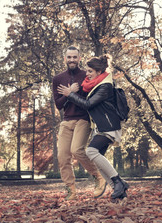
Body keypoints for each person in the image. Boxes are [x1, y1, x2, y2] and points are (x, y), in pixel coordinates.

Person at [58, 54, 129, 199]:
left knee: (91, 151)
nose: (87, 74)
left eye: (90, 71)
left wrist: (70, 94)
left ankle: (118, 181)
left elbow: (88, 104)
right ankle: (119, 191)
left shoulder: (105, 86)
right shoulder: (97, 85)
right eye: (87, 71)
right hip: (102, 127)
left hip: (109, 127)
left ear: (98, 71)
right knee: (98, 159)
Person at [52, 46, 107, 200]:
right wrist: (70, 92)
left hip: (83, 118)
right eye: (69, 57)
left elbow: (91, 100)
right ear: (65, 59)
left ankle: (98, 177)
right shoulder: (58, 79)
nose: (72, 60)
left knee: (77, 150)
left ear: (79, 58)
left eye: (74, 57)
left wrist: (72, 93)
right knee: (63, 156)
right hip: (66, 120)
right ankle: (71, 189)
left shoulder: (86, 75)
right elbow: (58, 105)